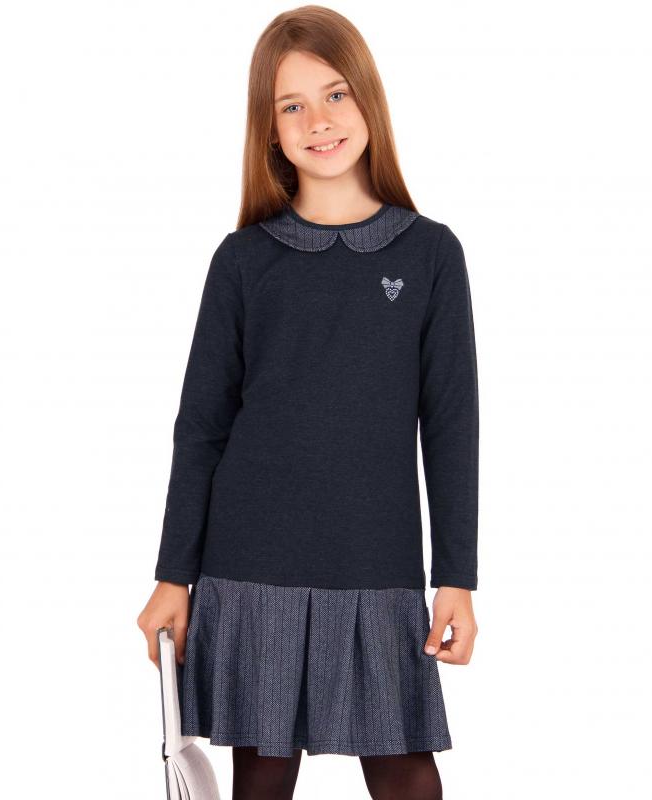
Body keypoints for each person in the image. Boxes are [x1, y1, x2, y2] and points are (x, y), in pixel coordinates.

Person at [137, 7, 479, 799]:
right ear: (270, 129)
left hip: (377, 564)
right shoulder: (243, 261)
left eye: (335, 95)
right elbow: (201, 428)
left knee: (406, 776)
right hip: (250, 563)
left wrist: (456, 577)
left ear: (368, 99)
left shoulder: (430, 253)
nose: (318, 121)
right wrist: (173, 575)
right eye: (291, 105)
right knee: (260, 781)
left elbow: (452, 424)